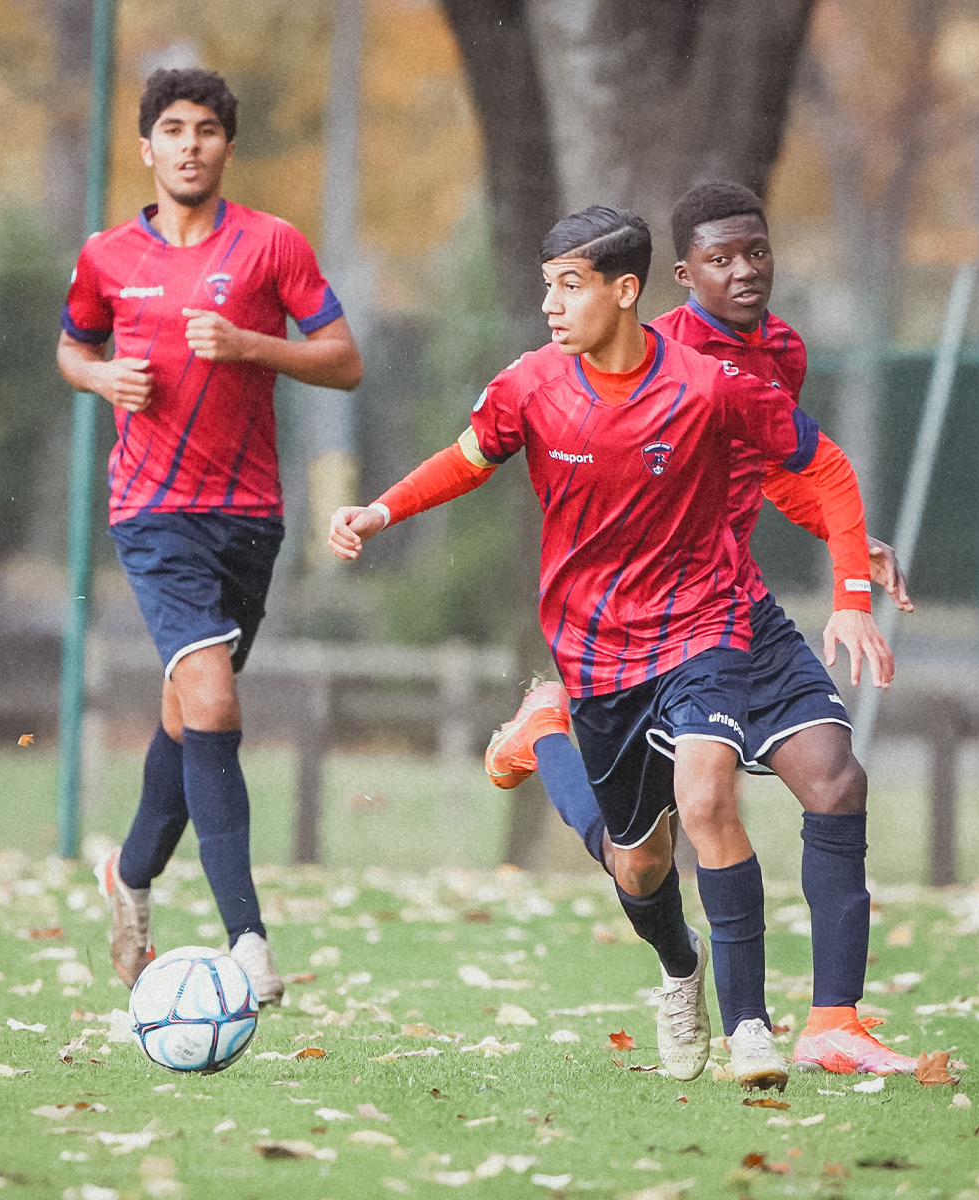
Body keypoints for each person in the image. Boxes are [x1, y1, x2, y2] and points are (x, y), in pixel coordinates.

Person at [329, 206, 868, 1089]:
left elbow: (825, 466)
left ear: (625, 292)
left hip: (705, 628)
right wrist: (382, 509)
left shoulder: (709, 387)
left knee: (705, 795)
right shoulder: (531, 385)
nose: (550, 303)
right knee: (638, 863)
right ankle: (663, 940)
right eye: (547, 285)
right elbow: (468, 458)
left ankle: (751, 1032)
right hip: (595, 655)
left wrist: (850, 589)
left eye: (569, 285)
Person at [482, 181, 922, 1080]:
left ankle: (832, 1021)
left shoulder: (778, 351)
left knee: (836, 782)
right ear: (677, 278)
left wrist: (841, 542)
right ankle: (551, 738)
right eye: (719, 259)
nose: (744, 271)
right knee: (643, 859)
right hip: (659, 629)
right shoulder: (659, 352)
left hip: (734, 608)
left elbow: (773, 467)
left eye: (755, 252)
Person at [57, 67, 363, 1001]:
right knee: (217, 706)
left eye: (207, 131)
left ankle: (131, 871)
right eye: (173, 129)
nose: (190, 145)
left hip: (249, 517)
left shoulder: (272, 247)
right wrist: (101, 379)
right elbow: (73, 345)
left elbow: (345, 362)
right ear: (146, 147)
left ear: (229, 147)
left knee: (189, 712)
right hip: (152, 512)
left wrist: (249, 346)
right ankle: (250, 943)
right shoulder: (108, 256)